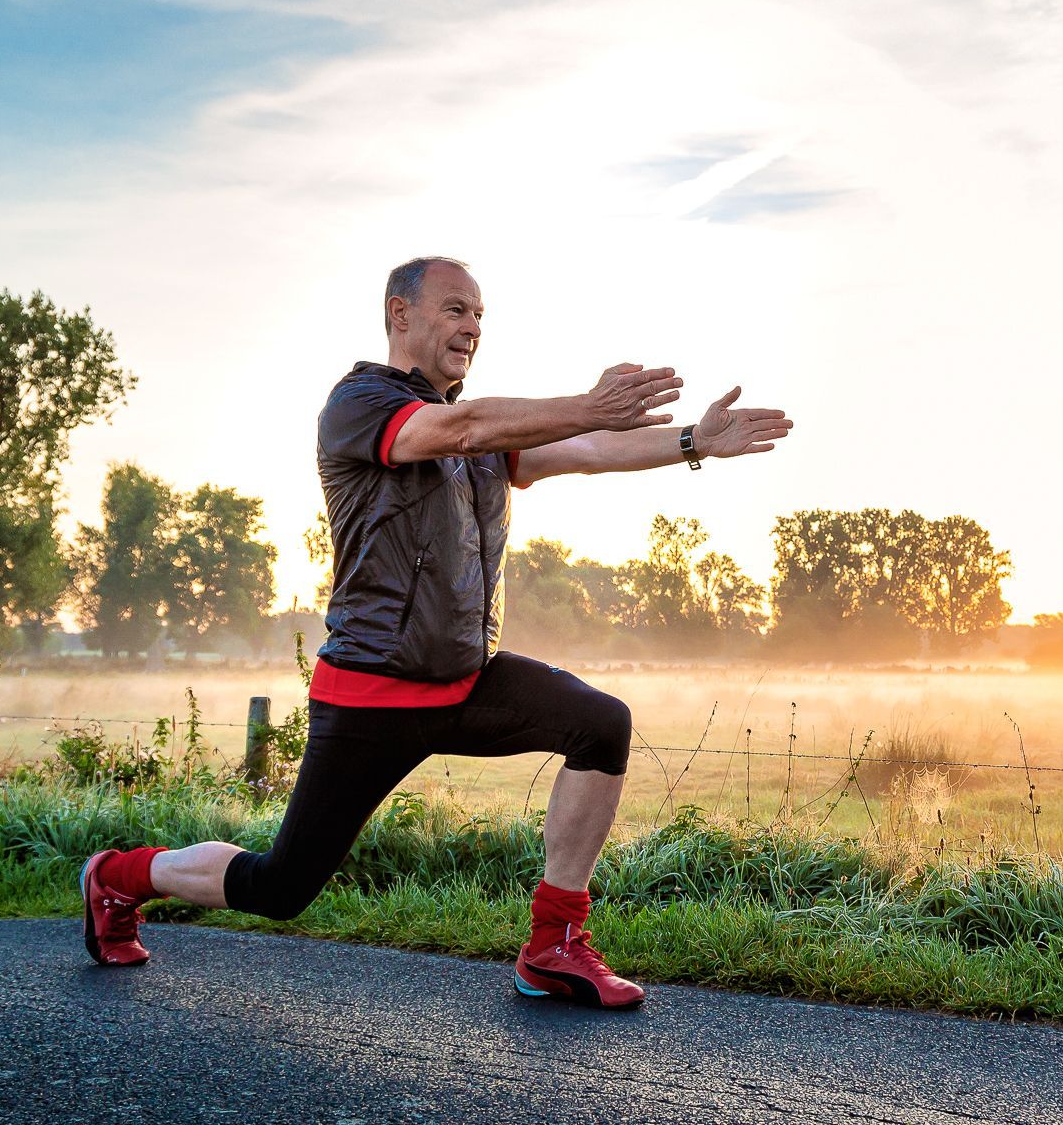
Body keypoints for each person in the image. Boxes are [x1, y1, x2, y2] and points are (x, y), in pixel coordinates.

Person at [79, 255, 792, 1008]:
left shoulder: (485, 432)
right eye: (455, 310)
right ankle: (118, 877)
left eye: (480, 314)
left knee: (600, 724)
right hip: (372, 691)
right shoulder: (361, 403)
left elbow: (585, 452)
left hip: (465, 677)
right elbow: (458, 428)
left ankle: (553, 945)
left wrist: (691, 443)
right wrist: (588, 403)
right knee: (282, 886)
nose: (473, 327)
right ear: (400, 315)